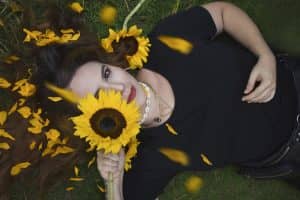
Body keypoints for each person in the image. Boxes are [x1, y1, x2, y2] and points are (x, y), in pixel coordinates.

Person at [0, 1, 299, 200]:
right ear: (90, 121)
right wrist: (114, 184)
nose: (116, 88)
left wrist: (264, 55)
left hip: (291, 76)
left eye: (107, 73)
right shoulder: (150, 157)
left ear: (113, 64)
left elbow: (221, 14)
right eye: (98, 97)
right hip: (288, 154)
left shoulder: (165, 42)